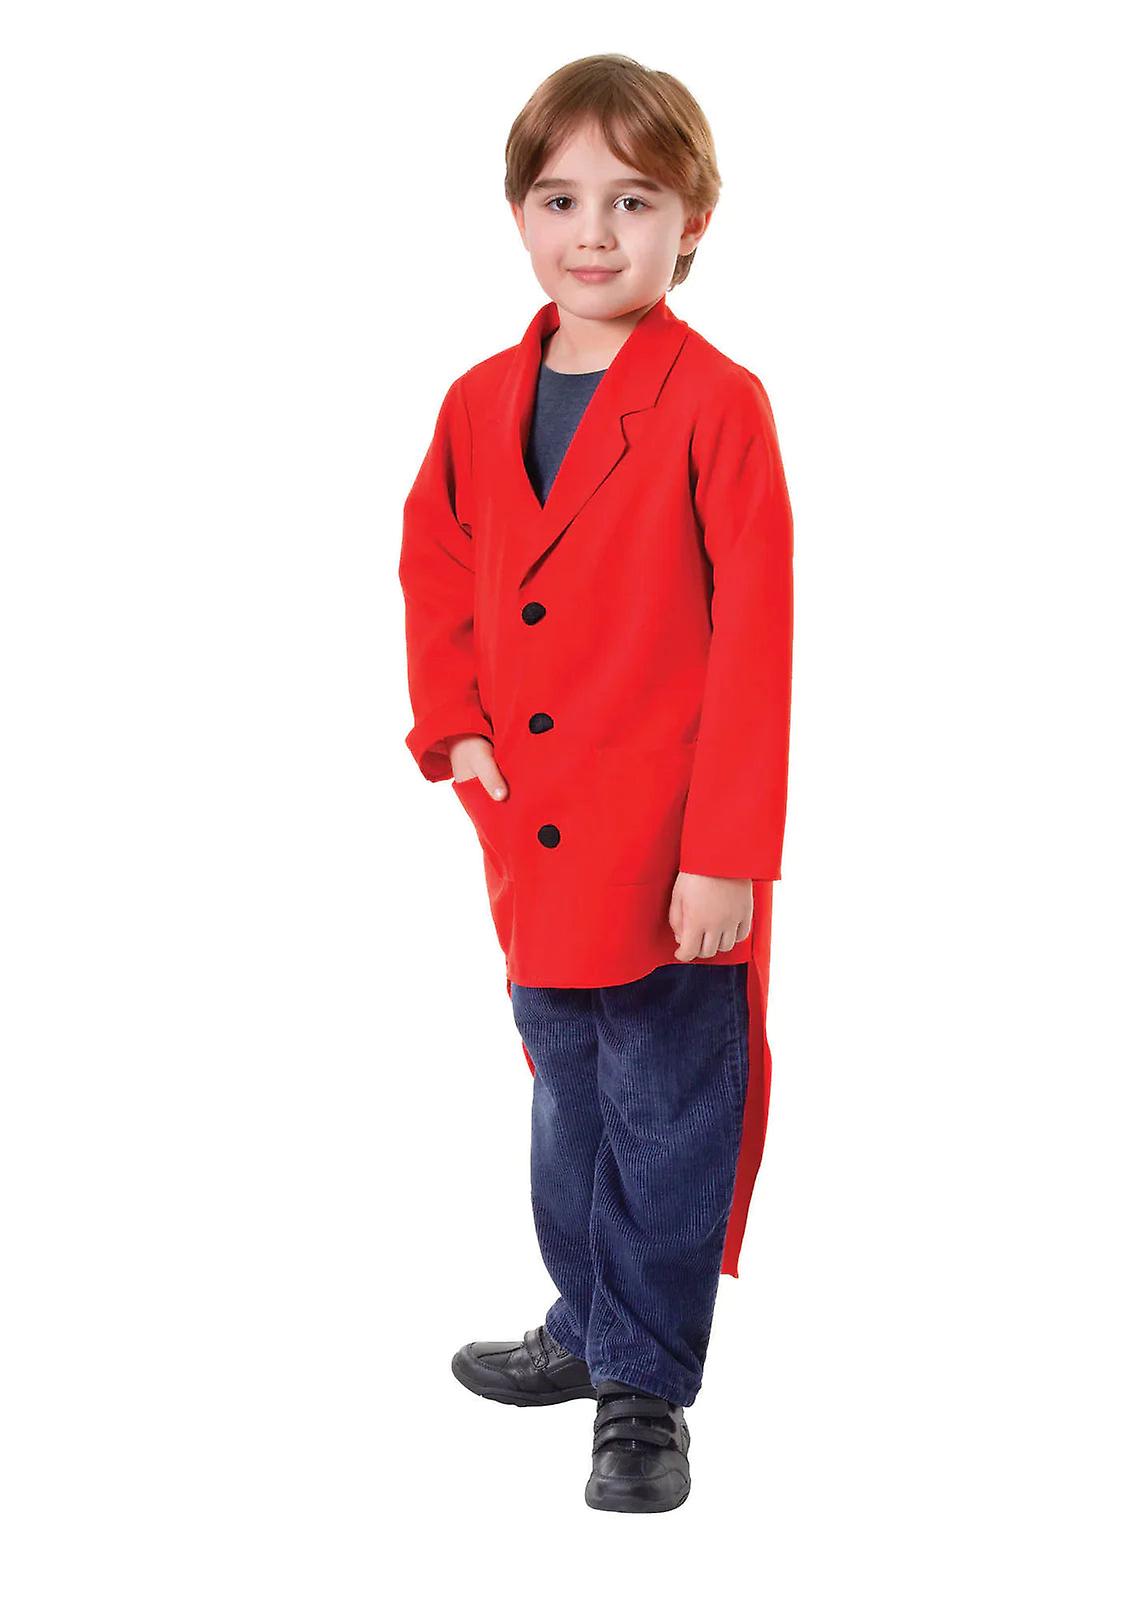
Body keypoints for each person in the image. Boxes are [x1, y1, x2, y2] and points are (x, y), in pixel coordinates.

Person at [399, 53, 793, 1514]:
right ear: (519, 214)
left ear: (692, 223)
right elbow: (436, 566)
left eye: (634, 200)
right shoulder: (476, 401)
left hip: (671, 840)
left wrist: (726, 850)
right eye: (561, 198)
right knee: (567, 1097)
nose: (594, 231)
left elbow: (757, 635)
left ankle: (645, 1389)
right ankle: (586, 1321)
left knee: (671, 1109)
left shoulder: (717, 404)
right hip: (535, 836)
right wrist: (456, 729)